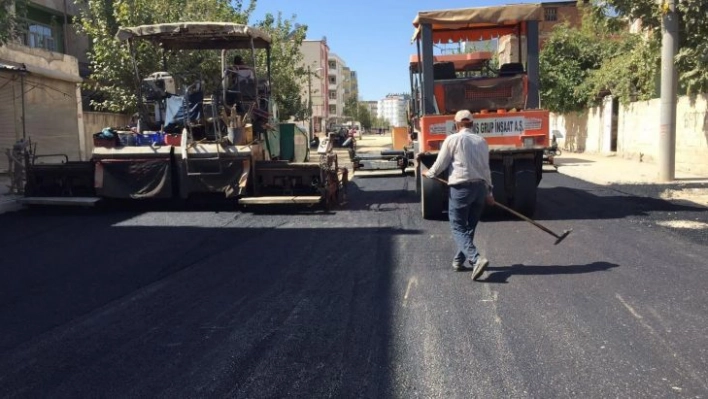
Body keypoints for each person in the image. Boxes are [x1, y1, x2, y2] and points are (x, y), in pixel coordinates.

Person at [425, 109, 495, 281]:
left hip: (461, 189)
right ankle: (458, 260)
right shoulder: (482, 141)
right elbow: (486, 170)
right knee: (469, 227)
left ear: (456, 124)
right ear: (472, 123)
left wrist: (429, 173)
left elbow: (441, 163)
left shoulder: (452, 139)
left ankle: (476, 259)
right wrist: (489, 191)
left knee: (457, 227)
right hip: (479, 189)